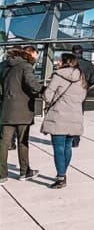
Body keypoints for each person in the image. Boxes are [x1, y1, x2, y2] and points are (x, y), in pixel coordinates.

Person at [42, 53, 87, 190]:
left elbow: (47, 96)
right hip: (74, 117)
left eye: (60, 60)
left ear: (65, 62)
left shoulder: (58, 75)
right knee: (67, 146)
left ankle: (61, 177)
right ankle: (63, 174)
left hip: (58, 117)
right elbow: (82, 97)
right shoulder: (81, 77)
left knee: (58, 148)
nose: (58, 62)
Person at [0, 45, 43, 184]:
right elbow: (32, 84)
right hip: (23, 109)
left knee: (3, 143)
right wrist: (45, 90)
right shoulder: (26, 66)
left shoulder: (5, 66)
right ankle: (24, 172)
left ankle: (2, 175)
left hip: (6, 108)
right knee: (23, 142)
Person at [71, 46, 94, 148]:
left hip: (69, 93)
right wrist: (86, 86)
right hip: (82, 93)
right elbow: (93, 79)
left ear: (72, 52)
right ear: (82, 52)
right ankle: (76, 139)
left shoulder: (69, 64)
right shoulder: (88, 64)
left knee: (68, 115)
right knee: (78, 116)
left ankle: (68, 137)